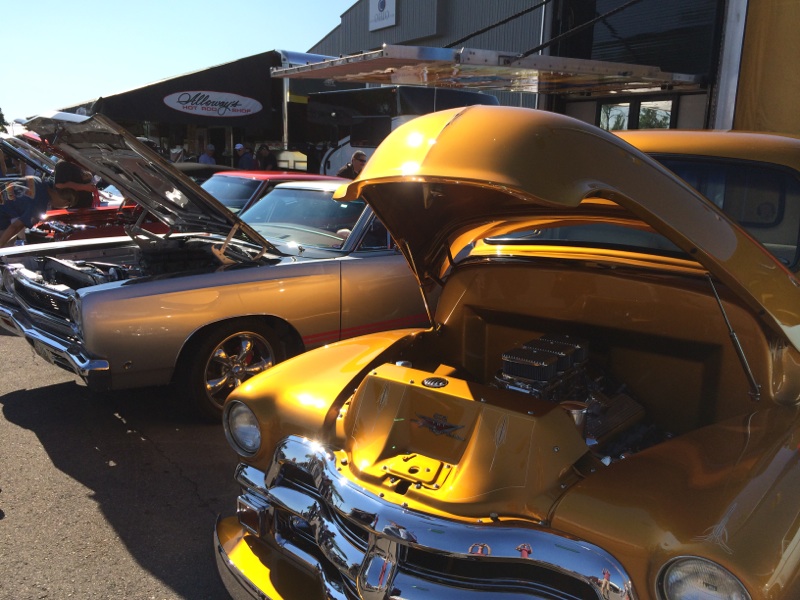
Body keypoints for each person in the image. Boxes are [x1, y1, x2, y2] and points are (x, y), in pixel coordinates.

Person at [0, 172, 83, 246]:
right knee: (8, 246)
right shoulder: (39, 206)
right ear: (66, 203)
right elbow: (15, 227)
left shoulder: (37, 180)